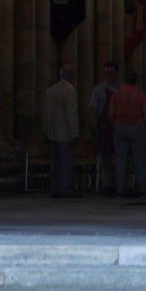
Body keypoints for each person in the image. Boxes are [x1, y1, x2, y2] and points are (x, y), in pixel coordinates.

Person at [109, 68, 146, 198]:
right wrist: (145, 127)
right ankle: (141, 187)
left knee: (121, 159)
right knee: (139, 158)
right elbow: (145, 113)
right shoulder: (140, 94)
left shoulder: (117, 94)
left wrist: (114, 124)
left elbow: (111, 112)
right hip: (137, 127)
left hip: (120, 127)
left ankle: (120, 188)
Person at [44, 64, 80, 198]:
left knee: (56, 163)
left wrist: (46, 130)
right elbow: (72, 113)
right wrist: (75, 133)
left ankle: (55, 188)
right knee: (66, 162)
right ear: (71, 76)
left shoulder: (51, 90)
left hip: (53, 133)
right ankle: (66, 189)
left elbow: (46, 113)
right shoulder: (69, 90)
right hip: (65, 134)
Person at [88, 60, 120, 194]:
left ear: (116, 73)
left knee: (120, 156)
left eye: (111, 72)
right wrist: (95, 124)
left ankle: (120, 184)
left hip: (118, 127)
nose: (108, 75)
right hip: (104, 127)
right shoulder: (98, 89)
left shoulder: (120, 89)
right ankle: (108, 185)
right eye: (106, 72)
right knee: (105, 157)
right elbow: (93, 108)